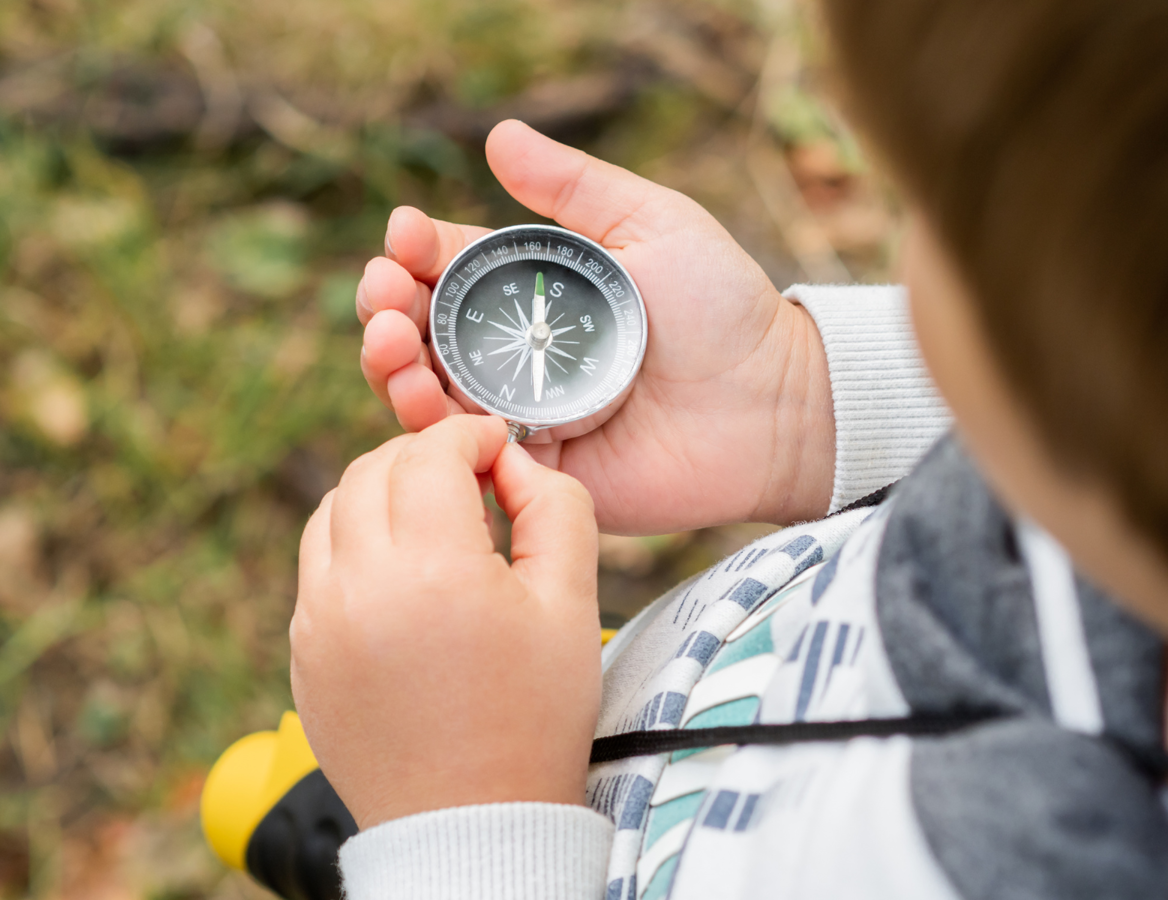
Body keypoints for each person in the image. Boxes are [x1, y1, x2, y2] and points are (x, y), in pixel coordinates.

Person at [288, 1, 1168, 897]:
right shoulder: (1104, 475)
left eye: (935, 222)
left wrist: (459, 833)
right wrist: (805, 404)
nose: (908, 260)